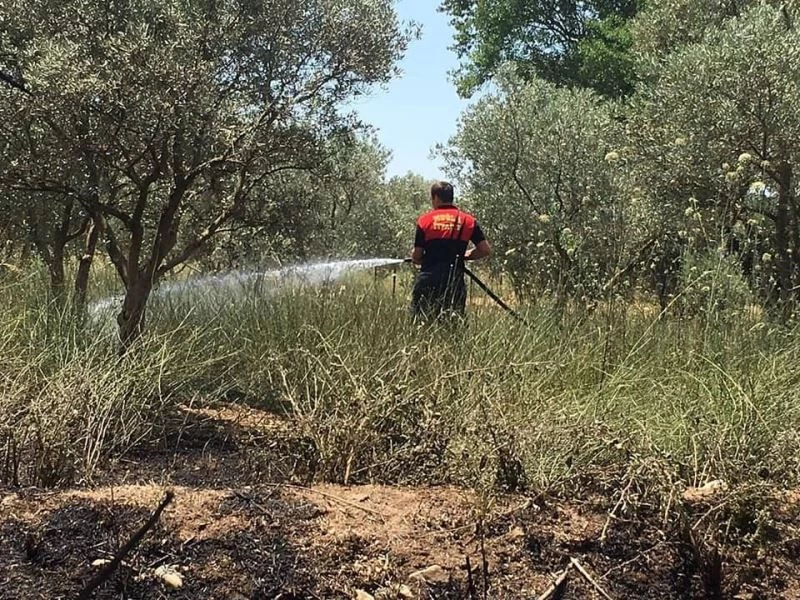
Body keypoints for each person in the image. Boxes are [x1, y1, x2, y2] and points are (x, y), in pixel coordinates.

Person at [410, 181, 491, 320]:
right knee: (453, 323)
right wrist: (463, 256)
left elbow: (417, 255)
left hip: (428, 279)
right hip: (454, 280)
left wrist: (417, 258)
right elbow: (485, 250)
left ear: (435, 197)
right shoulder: (468, 221)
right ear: (451, 197)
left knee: (421, 322)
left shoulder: (424, 221)